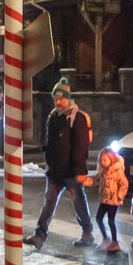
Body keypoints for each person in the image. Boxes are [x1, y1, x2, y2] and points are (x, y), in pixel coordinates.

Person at [24, 78, 95, 249]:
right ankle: (39, 235)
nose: (58, 101)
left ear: (68, 98)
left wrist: (79, 171)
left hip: (71, 172)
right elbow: (49, 141)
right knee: (49, 202)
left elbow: (81, 146)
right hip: (55, 171)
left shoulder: (76, 118)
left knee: (78, 201)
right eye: (55, 98)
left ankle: (87, 232)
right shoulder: (53, 117)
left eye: (61, 98)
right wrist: (47, 159)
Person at [86, 145, 130, 252]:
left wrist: (120, 195)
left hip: (113, 200)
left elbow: (124, 183)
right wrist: (86, 181)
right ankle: (105, 239)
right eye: (101, 160)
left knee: (111, 221)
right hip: (104, 200)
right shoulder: (103, 171)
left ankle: (115, 242)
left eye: (105, 160)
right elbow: (95, 180)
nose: (103, 162)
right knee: (98, 218)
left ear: (111, 159)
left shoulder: (117, 171)